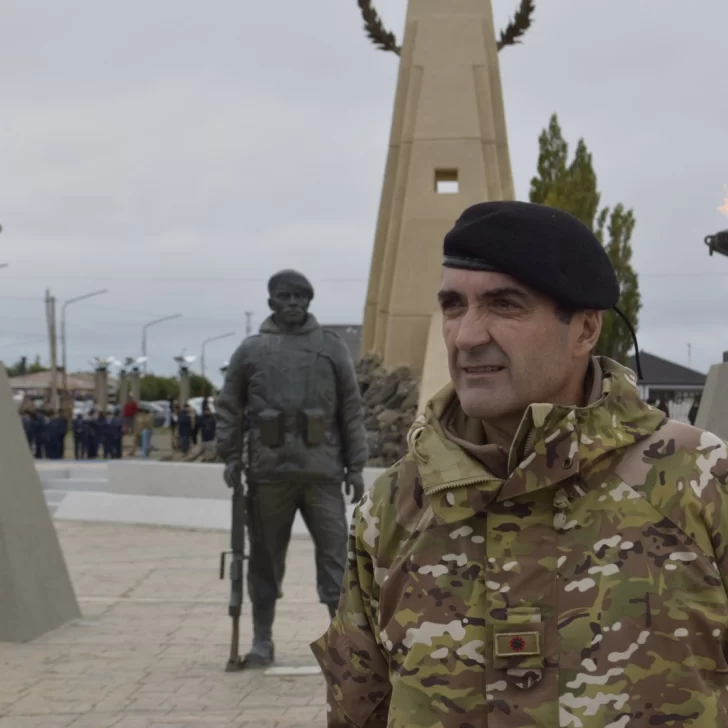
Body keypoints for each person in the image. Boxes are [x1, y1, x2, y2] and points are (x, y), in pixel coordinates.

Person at [311, 201, 728, 727]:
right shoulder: (397, 505)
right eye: (453, 305)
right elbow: (358, 707)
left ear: (584, 330)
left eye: (504, 305)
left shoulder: (698, 482)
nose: (465, 336)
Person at [217, 269, 368, 669]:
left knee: (337, 564)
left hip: (323, 475)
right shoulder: (251, 350)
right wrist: (230, 456)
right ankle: (262, 641)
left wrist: (356, 465)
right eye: (285, 296)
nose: (293, 303)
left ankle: (343, 646)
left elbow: (351, 409)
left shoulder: (331, 348)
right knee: (265, 562)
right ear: (271, 302)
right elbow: (229, 407)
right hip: (269, 476)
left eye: (300, 297)